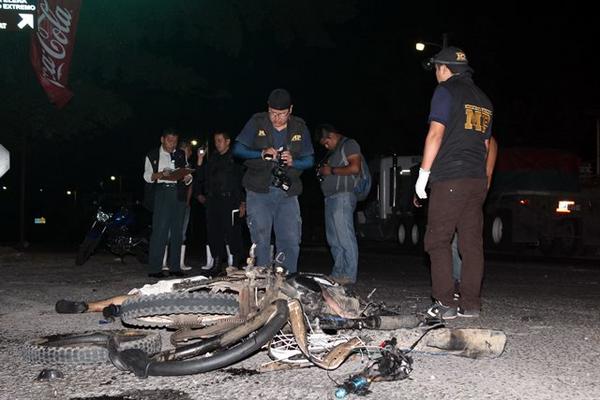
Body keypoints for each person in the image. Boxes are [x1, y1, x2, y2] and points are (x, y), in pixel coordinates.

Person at [415, 47, 494, 319]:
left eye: (437, 68)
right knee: (471, 243)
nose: (436, 73)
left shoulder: (445, 91)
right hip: (476, 179)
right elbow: (485, 145)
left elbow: (436, 133)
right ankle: (471, 303)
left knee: (437, 240)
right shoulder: (484, 99)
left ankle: (445, 303)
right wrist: (482, 179)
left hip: (450, 177)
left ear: (445, 69)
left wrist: (423, 176)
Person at [233, 88, 314, 273]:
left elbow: (310, 160)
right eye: (273, 113)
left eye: (282, 114)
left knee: (290, 239)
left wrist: (295, 161)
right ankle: (261, 282)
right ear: (268, 108)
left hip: (288, 192)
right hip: (258, 190)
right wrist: (261, 153)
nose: (277, 118)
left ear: (290, 110)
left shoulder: (300, 127)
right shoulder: (256, 121)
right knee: (261, 239)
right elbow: (237, 149)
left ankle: (286, 280)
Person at [450, 136, 498, 293]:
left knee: (464, 240)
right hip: (458, 190)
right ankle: (458, 281)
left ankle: (462, 282)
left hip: (471, 194)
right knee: (455, 238)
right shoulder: (464, 135)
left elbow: (488, 174)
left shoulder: (489, 141)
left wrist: (478, 197)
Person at [143, 128, 193, 278]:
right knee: (160, 230)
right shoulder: (152, 155)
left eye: (175, 141)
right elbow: (147, 177)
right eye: (169, 141)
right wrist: (161, 174)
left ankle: (175, 267)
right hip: (162, 192)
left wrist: (187, 177)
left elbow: (188, 175)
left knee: (178, 231)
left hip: (178, 193)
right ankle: (155, 269)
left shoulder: (180, 154)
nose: (172, 144)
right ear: (162, 139)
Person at [316, 124, 362, 285]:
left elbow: (355, 167)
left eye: (326, 142)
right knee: (334, 239)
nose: (326, 146)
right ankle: (338, 274)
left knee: (345, 236)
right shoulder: (334, 151)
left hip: (343, 196)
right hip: (330, 198)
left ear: (332, 135)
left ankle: (349, 275)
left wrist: (331, 171)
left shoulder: (349, 144)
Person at [195, 131, 246, 275]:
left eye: (219, 140)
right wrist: (200, 159)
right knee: (214, 233)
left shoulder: (235, 159)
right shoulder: (212, 158)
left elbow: (242, 181)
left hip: (230, 201)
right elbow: (201, 177)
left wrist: (243, 202)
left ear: (228, 141)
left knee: (233, 232)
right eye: (215, 141)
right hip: (213, 201)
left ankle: (235, 265)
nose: (217, 144)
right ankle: (217, 265)